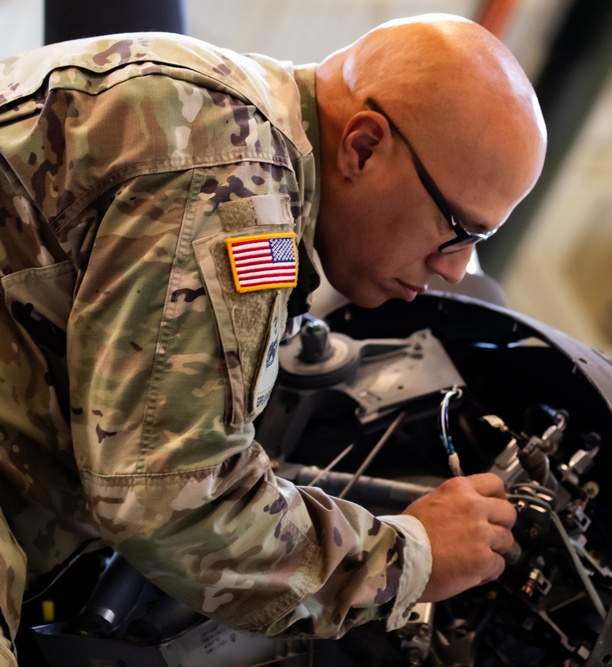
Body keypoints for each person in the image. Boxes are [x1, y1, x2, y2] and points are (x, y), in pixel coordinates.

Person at [0, 13, 547, 664]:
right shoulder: (237, 177)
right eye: (456, 227)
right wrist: (410, 557)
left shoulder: (224, 127)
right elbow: (174, 495)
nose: (454, 268)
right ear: (364, 146)